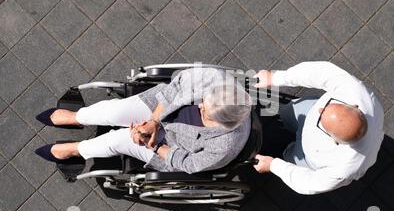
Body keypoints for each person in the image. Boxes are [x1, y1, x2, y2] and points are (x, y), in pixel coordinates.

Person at [36, 67, 252, 174]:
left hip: (170, 147)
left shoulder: (225, 144)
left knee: (119, 141)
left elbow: (189, 163)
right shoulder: (215, 79)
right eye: (204, 100)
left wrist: (155, 144)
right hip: (160, 106)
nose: (201, 105)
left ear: (224, 124)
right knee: (114, 111)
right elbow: (175, 86)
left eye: (205, 112)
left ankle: (77, 150)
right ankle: (78, 117)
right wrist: (153, 120)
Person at [253, 61, 384, 195]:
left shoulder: (345, 169)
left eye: (322, 120)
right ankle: (287, 127)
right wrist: (275, 78)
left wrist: (274, 166)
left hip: (309, 156)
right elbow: (319, 72)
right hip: (306, 113)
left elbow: (309, 183)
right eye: (327, 108)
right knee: (288, 112)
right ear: (355, 106)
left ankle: (288, 152)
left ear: (335, 141)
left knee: (290, 158)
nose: (320, 109)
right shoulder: (356, 92)